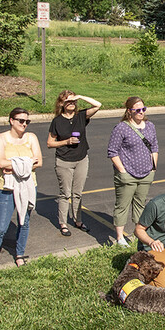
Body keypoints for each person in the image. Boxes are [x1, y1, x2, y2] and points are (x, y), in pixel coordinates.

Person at [0, 108, 43, 273]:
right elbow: (1, 163)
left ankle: (19, 254)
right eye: (21, 121)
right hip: (6, 188)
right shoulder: (0, 138)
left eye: (27, 121)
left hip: (29, 186)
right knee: (1, 227)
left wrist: (14, 165)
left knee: (24, 222)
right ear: (11, 121)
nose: (24, 124)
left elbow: (39, 162)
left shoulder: (31, 137)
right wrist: (27, 163)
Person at [46, 91, 102, 237]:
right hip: (64, 161)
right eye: (67, 101)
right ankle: (63, 223)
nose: (71, 103)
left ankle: (78, 220)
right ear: (61, 104)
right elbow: (50, 143)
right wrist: (66, 142)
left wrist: (81, 96)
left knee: (77, 193)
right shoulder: (57, 121)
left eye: (73, 101)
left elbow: (98, 105)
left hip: (82, 159)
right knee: (65, 194)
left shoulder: (81, 116)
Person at [107, 97, 158, 247]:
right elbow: (112, 151)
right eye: (137, 110)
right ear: (129, 111)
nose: (141, 112)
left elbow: (154, 147)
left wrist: (153, 167)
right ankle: (120, 237)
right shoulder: (121, 128)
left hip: (146, 173)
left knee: (140, 204)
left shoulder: (150, 126)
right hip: (127, 174)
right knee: (122, 205)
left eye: (143, 109)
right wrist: (122, 171)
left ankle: (139, 233)